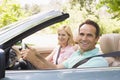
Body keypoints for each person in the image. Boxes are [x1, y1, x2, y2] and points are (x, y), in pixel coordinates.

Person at [21, 19, 109, 69]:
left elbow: (69, 77)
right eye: (81, 34)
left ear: (97, 39)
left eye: (89, 35)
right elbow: (56, 68)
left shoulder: (98, 61)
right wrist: (36, 55)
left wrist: (33, 60)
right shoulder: (77, 54)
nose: (84, 39)